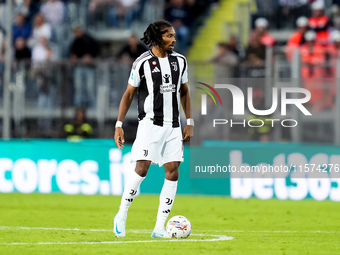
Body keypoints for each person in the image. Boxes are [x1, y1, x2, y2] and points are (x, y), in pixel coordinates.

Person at [113, 19, 193, 238]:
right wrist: (119, 125)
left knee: (173, 170)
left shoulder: (180, 61)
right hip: (150, 124)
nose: (174, 40)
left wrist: (190, 122)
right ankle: (121, 214)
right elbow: (128, 94)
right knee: (142, 168)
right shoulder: (142, 63)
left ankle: (159, 227)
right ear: (158, 37)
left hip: (174, 125)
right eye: (169, 36)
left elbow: (184, 92)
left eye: (174, 36)